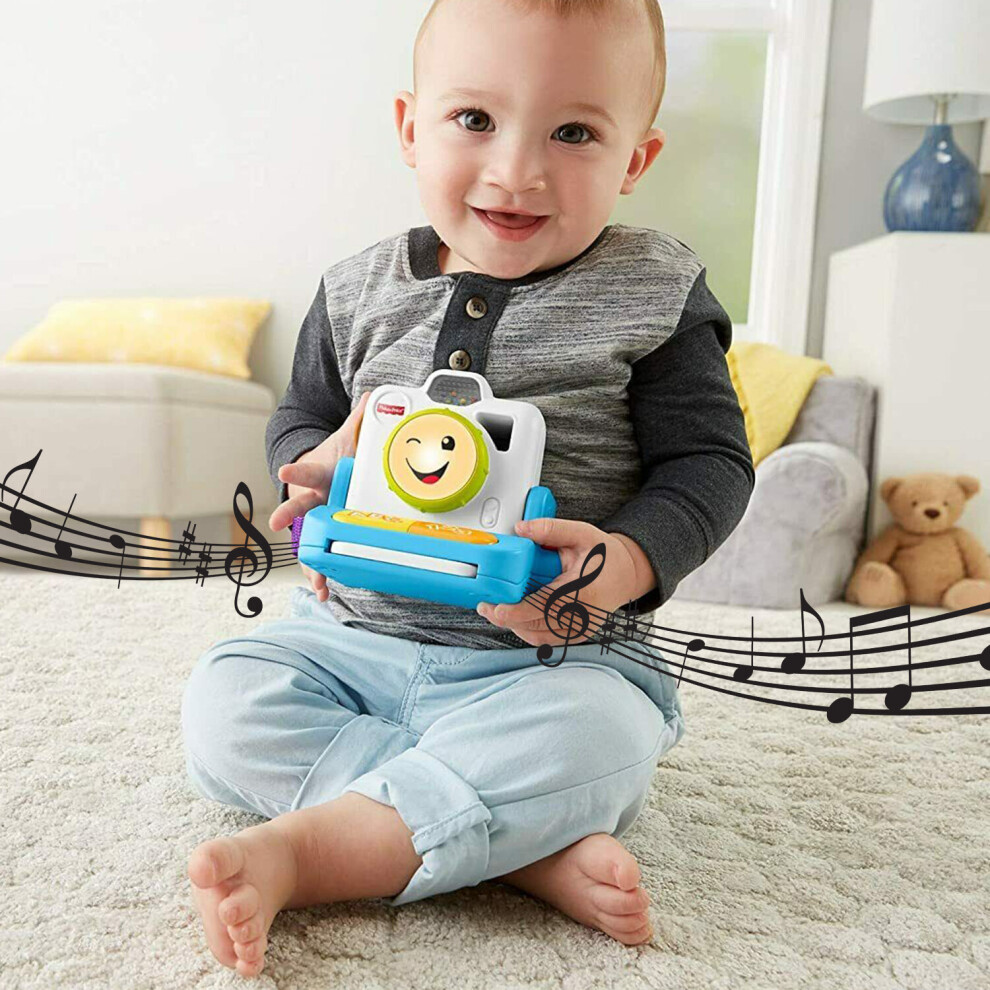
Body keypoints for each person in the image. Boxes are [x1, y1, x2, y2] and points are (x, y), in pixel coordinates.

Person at [181, 0, 755, 978]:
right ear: (412, 127)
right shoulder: (357, 289)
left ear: (636, 159)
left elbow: (709, 465)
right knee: (225, 703)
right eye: (476, 120)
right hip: (354, 637)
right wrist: (317, 461)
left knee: (605, 739)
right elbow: (301, 416)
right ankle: (513, 845)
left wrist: (619, 566)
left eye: (574, 132)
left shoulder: (655, 289)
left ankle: (319, 851)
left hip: (553, 664)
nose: (516, 170)